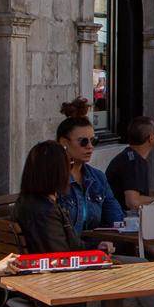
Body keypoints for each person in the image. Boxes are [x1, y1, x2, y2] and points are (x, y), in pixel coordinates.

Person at [56, 99, 124, 236]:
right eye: (83, 141)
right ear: (64, 143)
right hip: (70, 252)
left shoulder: (97, 178)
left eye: (93, 141)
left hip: (98, 249)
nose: (90, 146)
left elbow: (116, 219)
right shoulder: (54, 179)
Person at [16, 140, 86, 252]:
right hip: (62, 266)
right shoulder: (44, 211)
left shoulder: (28, 200)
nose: (70, 172)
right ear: (57, 172)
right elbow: (59, 254)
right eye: (69, 165)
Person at [105, 116, 154, 213]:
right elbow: (133, 202)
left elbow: (137, 192)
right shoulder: (133, 162)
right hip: (119, 218)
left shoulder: (130, 157)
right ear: (151, 138)